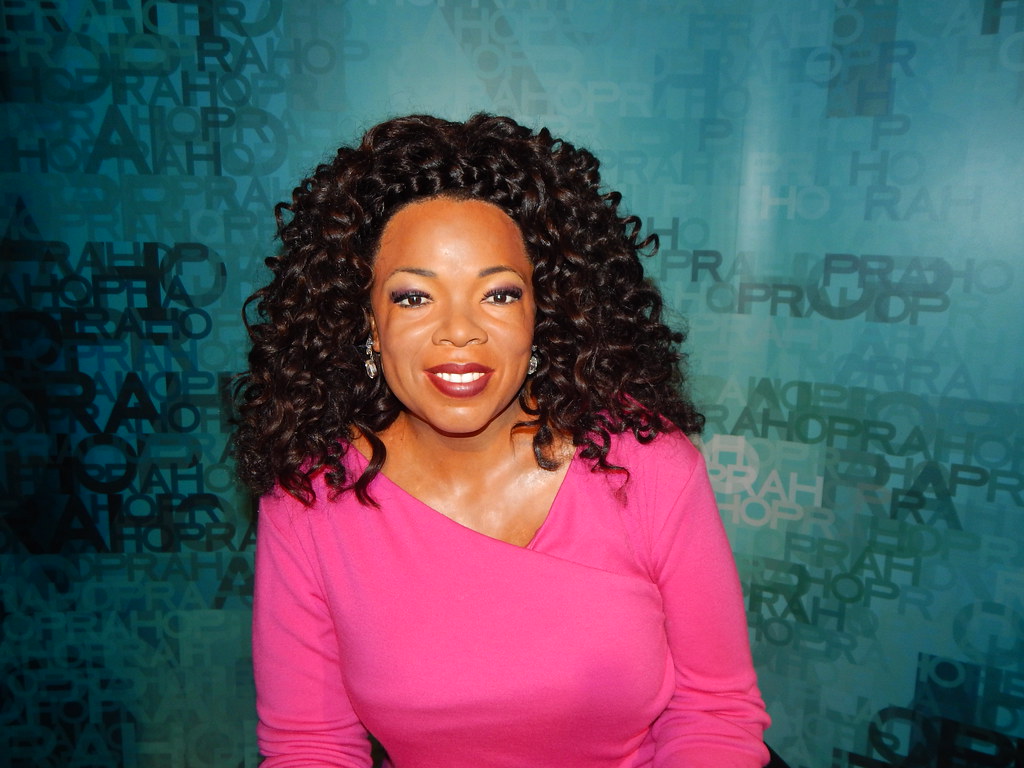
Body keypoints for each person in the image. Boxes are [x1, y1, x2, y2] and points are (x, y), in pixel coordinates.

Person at [234, 113, 771, 768]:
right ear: (366, 321)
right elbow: (311, 745)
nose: (459, 331)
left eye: (498, 294)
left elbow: (714, 713)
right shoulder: (310, 500)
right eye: (413, 298)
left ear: (543, 312)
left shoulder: (646, 463)